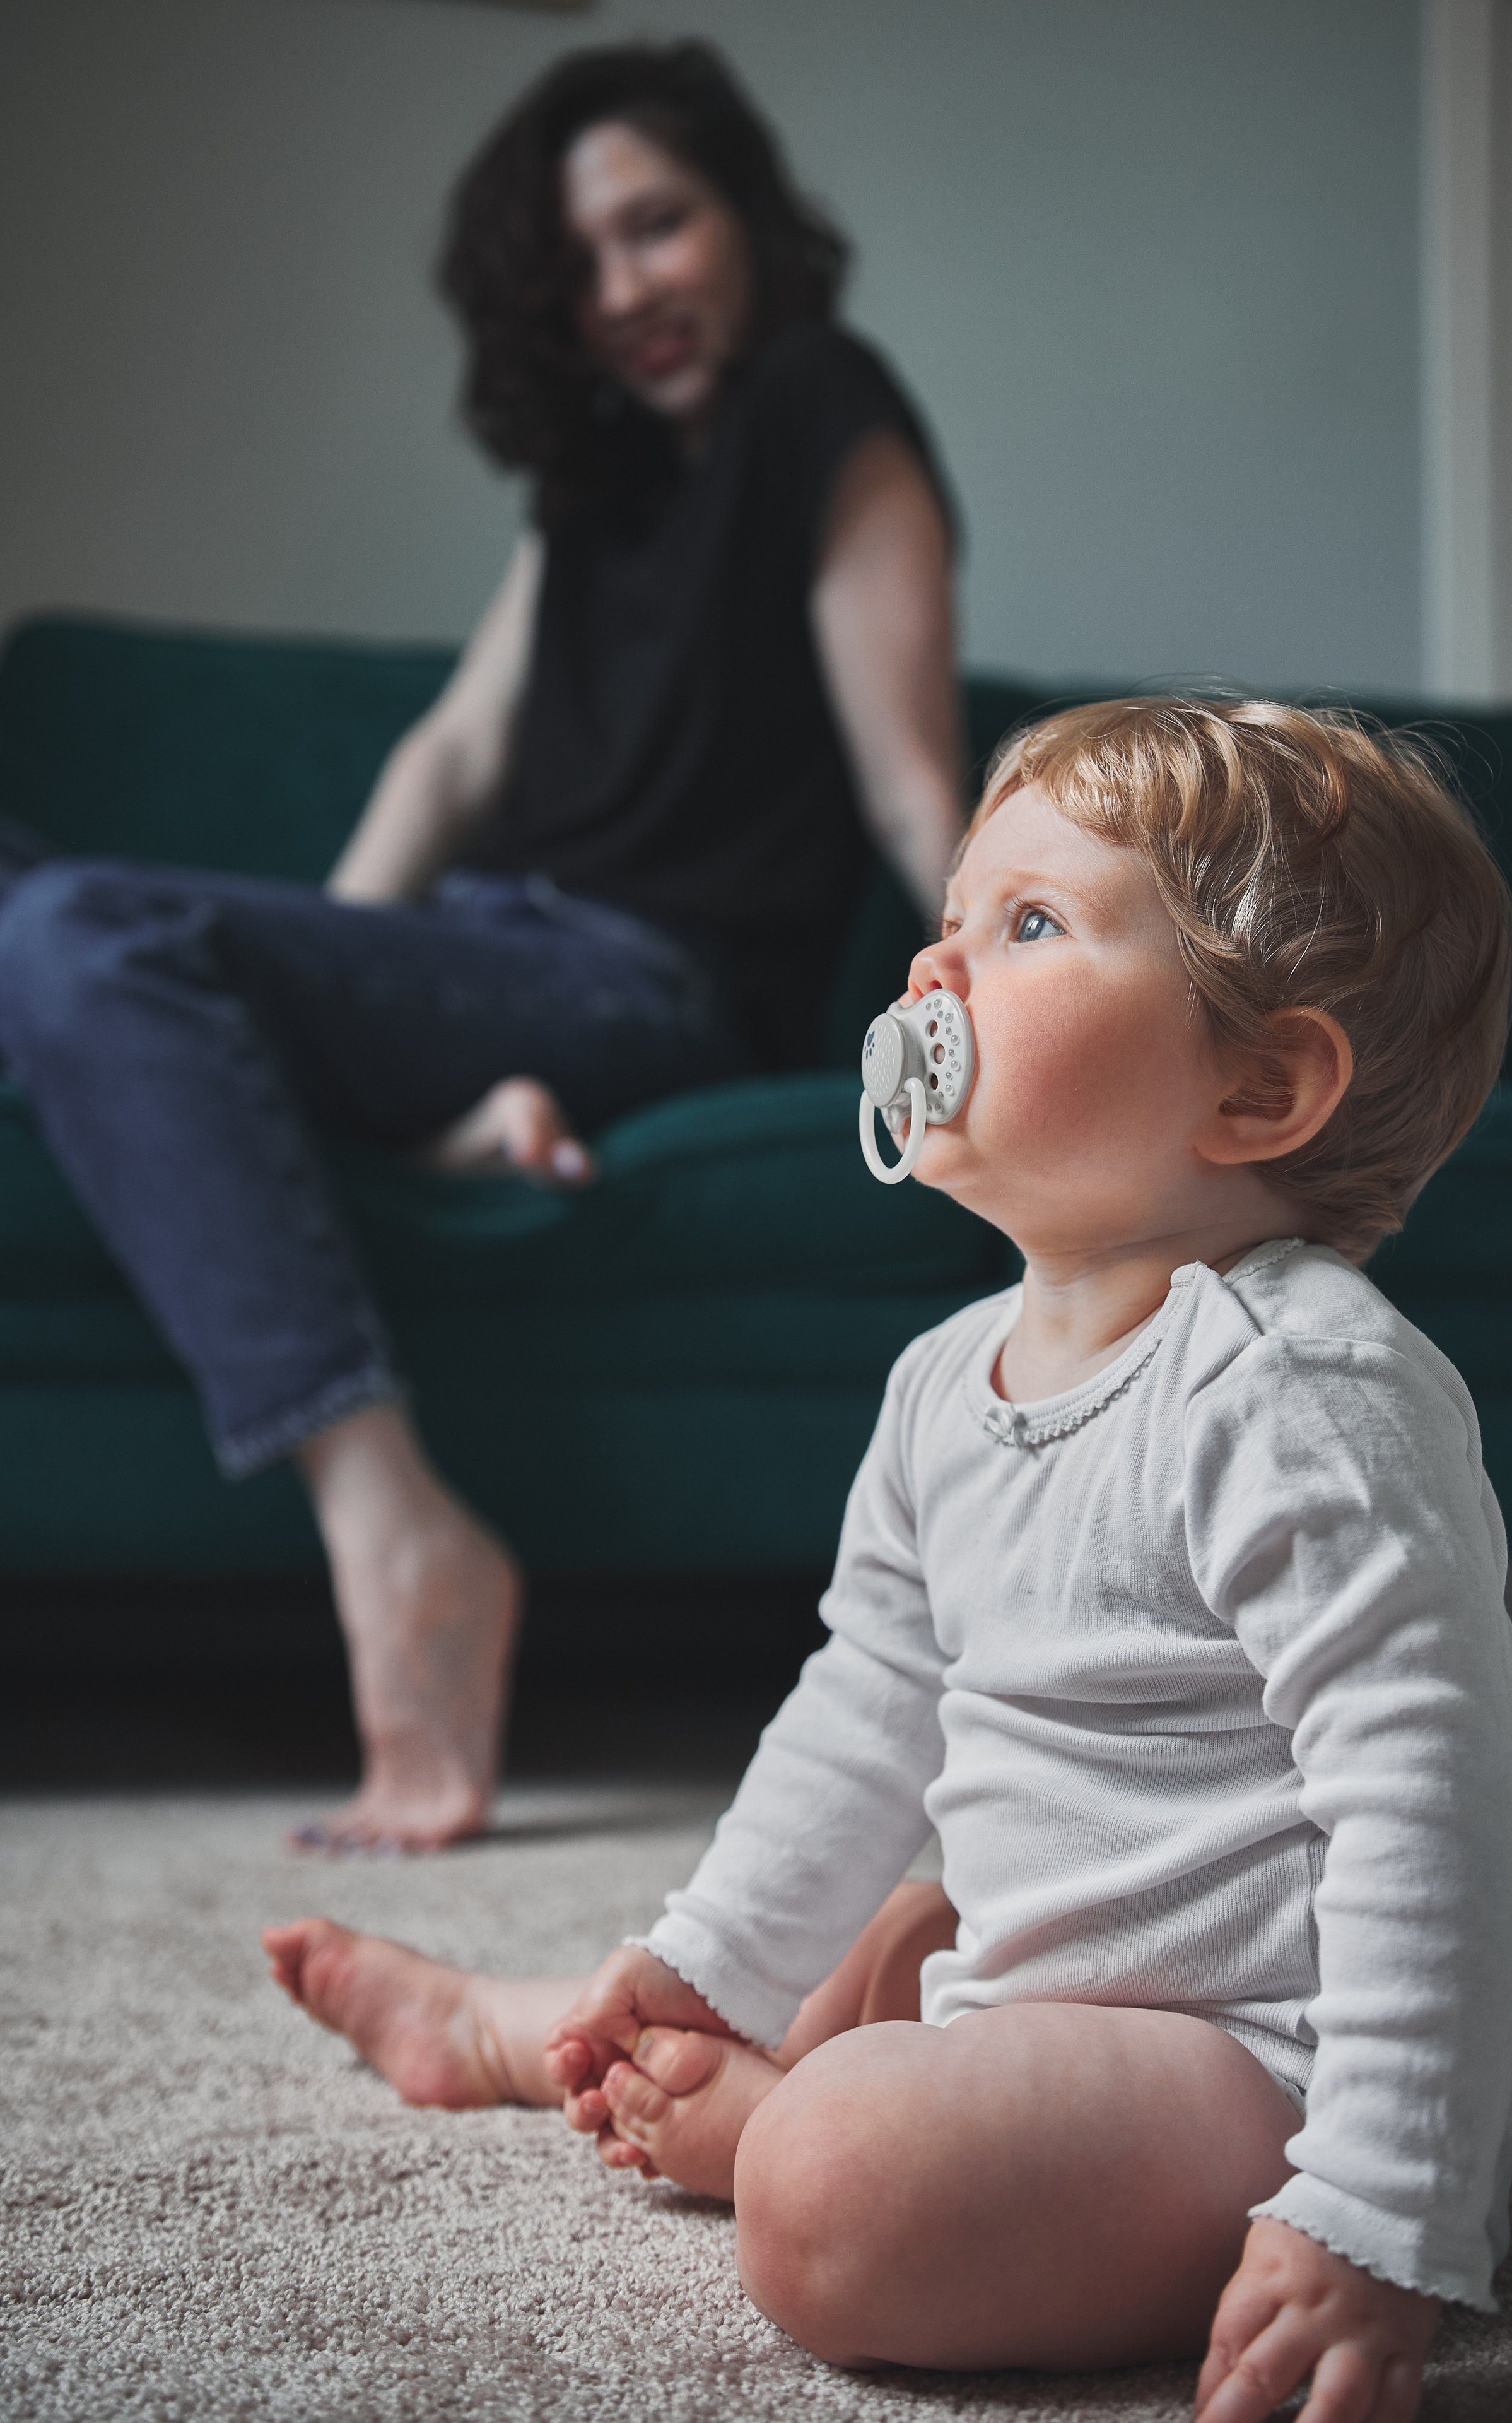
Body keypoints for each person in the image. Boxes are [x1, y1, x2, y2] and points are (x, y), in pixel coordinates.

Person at [262, 698, 1512, 2415]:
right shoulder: (946, 1379)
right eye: (950, 923)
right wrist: (707, 1956)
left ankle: (759, 2124)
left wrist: (1381, 2208)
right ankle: (545, 2028)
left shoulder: (1306, 1393)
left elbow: (1427, 1810)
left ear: (1260, 1084)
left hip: (1269, 2057)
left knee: (831, 2194)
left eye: (1029, 927)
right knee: (872, 1922)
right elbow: (869, 1713)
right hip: (1043, 1994)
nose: (937, 978)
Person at [0, 42, 963, 1853]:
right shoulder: (590, 490)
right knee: (51, 924)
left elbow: (916, 784)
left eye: (656, 228)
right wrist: (315, 985)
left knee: (73, 934)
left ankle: (395, 1517)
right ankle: (407, 1118)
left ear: (743, 212)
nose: (623, 293)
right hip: (475, 959)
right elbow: (452, 751)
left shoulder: (831, 411)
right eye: (576, 269)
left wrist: (1013, 981)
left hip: (644, 990)